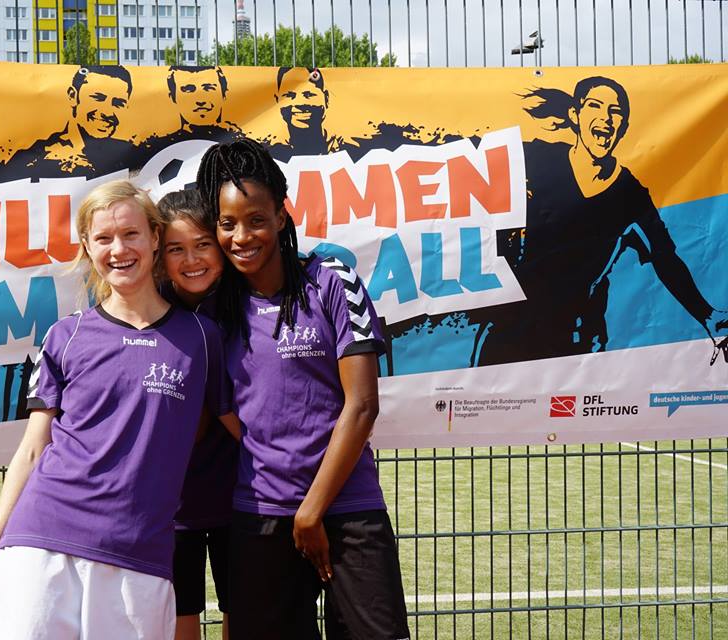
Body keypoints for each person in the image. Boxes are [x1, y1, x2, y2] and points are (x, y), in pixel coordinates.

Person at [0, 181, 238, 639]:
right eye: (104, 238)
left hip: (139, 559)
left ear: (155, 238)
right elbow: (33, 451)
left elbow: (245, 430)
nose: (119, 249)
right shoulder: (65, 335)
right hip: (40, 543)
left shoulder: (202, 338)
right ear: (87, 247)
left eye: (131, 234)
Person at [196, 139, 410, 639]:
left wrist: (312, 508)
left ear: (281, 216)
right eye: (227, 224)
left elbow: (361, 406)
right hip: (261, 518)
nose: (242, 236)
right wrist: (274, 467)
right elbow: (227, 411)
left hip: (349, 510)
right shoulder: (215, 313)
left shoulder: (332, 281)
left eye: (256, 219)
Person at [472, 76, 728, 365]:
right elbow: (474, 156)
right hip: (508, 329)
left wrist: (708, 315)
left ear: (623, 128)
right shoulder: (539, 157)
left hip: (577, 338)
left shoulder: (630, 194)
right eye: (595, 106)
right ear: (575, 115)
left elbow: (666, 260)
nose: (606, 118)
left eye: (615, 112)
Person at [158, 189, 238, 640]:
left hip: (243, 500)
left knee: (243, 613)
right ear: (158, 256)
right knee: (177, 620)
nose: (192, 260)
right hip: (172, 509)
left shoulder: (246, 306)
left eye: (203, 244)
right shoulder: (147, 313)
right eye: (176, 249)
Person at [0, 65, 139, 179]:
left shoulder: (134, 158)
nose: (108, 112)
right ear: (73, 96)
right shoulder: (36, 158)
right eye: (98, 98)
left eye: (118, 103)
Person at [139, 66, 242, 156]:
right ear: (173, 97)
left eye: (209, 88)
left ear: (224, 93)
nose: (200, 100)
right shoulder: (153, 146)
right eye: (188, 90)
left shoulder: (243, 141)